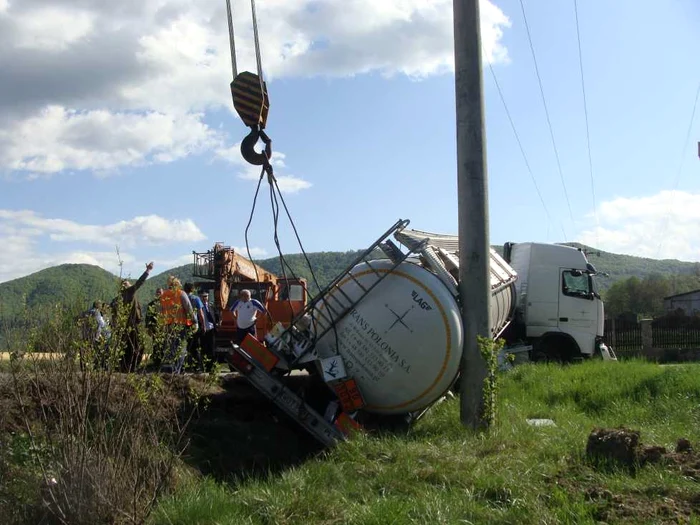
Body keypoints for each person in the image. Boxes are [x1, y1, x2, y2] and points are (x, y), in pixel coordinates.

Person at [111, 261, 153, 372]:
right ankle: (132, 367)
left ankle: (124, 367)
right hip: (133, 325)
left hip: (123, 327)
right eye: (128, 283)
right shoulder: (129, 292)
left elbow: (112, 312)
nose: (130, 284)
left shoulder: (117, 299)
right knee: (138, 346)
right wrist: (148, 270)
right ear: (125, 286)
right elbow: (139, 283)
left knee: (127, 347)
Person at [159, 276, 194, 374]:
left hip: (168, 326)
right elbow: (189, 308)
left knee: (170, 349)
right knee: (181, 349)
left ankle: (168, 372)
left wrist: (161, 327)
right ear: (177, 284)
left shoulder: (163, 295)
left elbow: (160, 312)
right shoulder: (181, 293)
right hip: (180, 325)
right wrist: (194, 321)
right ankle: (176, 372)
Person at [184, 282, 206, 371]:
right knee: (195, 346)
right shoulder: (196, 298)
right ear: (192, 289)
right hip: (193, 325)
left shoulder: (181, 298)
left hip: (183, 324)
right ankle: (197, 367)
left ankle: (186, 366)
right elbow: (201, 314)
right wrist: (203, 325)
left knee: (186, 346)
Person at [199, 290, 219, 371]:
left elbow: (216, 315)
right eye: (203, 296)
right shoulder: (199, 307)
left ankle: (212, 367)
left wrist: (217, 323)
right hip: (203, 330)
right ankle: (204, 366)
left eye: (206, 296)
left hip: (211, 330)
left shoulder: (211, 306)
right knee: (204, 349)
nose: (204, 298)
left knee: (212, 348)